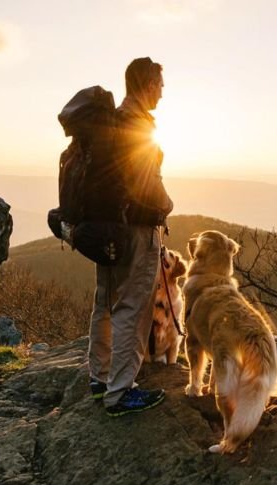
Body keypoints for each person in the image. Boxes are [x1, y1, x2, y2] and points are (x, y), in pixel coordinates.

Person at [87, 57, 174, 417]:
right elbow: (146, 188)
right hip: (136, 231)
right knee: (132, 309)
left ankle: (100, 378)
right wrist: (168, 204)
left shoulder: (111, 122)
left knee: (105, 300)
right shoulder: (137, 125)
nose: (163, 91)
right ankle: (120, 393)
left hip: (105, 230)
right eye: (160, 85)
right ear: (148, 85)